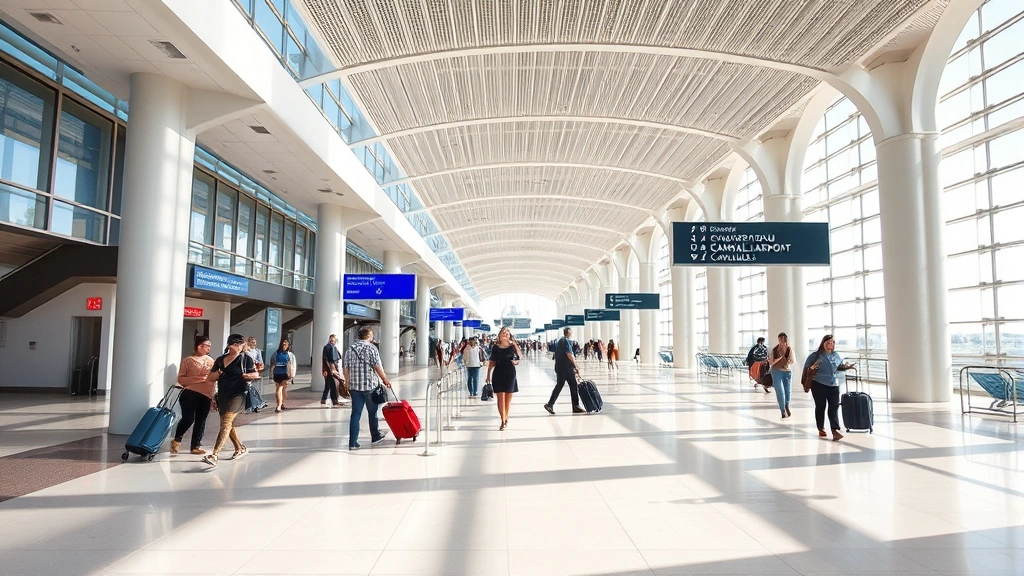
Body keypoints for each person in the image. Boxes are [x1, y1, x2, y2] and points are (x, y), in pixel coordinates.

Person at [201, 334, 259, 467]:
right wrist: (216, 376)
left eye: (240, 344)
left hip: (238, 395)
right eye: (236, 344)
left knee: (226, 422)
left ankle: (214, 454)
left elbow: (256, 374)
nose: (239, 347)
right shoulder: (220, 360)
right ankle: (240, 448)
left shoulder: (245, 359)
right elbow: (210, 378)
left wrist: (248, 375)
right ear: (230, 345)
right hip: (223, 395)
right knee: (227, 424)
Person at [343, 326, 391, 450]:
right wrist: (385, 379)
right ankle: (375, 436)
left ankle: (353, 442)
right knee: (372, 412)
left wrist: (347, 383)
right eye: (372, 335)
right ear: (369, 336)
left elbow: (346, 368)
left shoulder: (350, 349)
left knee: (355, 413)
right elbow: (377, 366)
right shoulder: (371, 348)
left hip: (354, 386)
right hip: (370, 386)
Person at [803, 334, 854, 441]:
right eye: (828, 342)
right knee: (820, 407)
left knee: (834, 407)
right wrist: (812, 368)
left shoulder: (836, 355)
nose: (831, 344)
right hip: (818, 384)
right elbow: (807, 368)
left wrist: (846, 367)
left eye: (833, 342)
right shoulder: (815, 356)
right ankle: (821, 428)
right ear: (823, 343)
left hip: (834, 384)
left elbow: (838, 367)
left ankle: (835, 430)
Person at [172, 335, 214, 455]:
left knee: (201, 420)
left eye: (210, 346)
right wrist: (200, 379)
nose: (209, 348)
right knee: (188, 419)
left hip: (206, 395)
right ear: (199, 346)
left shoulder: (211, 361)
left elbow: (213, 378)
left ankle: (195, 445)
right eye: (207, 345)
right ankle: (177, 439)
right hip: (190, 394)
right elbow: (181, 379)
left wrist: (214, 395)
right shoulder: (188, 360)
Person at [486, 326, 521, 430]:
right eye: (503, 332)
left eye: (507, 332)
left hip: (510, 374)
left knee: (508, 399)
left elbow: (519, 357)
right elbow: (492, 362)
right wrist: (488, 375)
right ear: (500, 335)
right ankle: (503, 420)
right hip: (498, 374)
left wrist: (516, 361)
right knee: (500, 398)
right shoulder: (495, 347)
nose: (505, 333)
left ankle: (506, 417)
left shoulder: (513, 346)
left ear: (509, 335)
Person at [544, 327, 584, 415]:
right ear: (568, 332)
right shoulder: (566, 341)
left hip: (560, 367)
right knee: (573, 386)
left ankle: (550, 404)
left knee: (560, 385)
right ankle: (575, 406)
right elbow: (569, 353)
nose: (572, 333)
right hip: (566, 368)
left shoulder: (560, 341)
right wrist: (575, 365)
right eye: (571, 332)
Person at [769, 333, 794, 419]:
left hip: (787, 371)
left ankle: (787, 405)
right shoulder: (775, 350)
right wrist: (780, 357)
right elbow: (771, 362)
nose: (781, 343)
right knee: (779, 391)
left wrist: (786, 357)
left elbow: (792, 361)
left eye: (783, 341)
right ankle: (782, 410)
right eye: (780, 340)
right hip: (776, 371)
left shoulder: (789, 349)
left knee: (787, 391)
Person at [271, 339, 297, 413]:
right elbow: (272, 364)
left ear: (288, 345)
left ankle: (280, 404)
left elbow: (293, 365)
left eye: (285, 343)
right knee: (280, 389)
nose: (284, 345)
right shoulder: (276, 354)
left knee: (282, 389)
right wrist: (272, 373)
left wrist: (292, 375)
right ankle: (279, 405)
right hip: (277, 374)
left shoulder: (290, 355)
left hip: (286, 374)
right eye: (283, 343)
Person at [321, 334, 346, 407]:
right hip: (331, 369)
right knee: (333, 385)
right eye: (332, 339)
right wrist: (329, 369)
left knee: (328, 385)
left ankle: (324, 399)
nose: (333, 341)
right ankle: (335, 401)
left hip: (332, 368)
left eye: (334, 339)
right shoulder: (328, 347)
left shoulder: (332, 347)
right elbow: (326, 360)